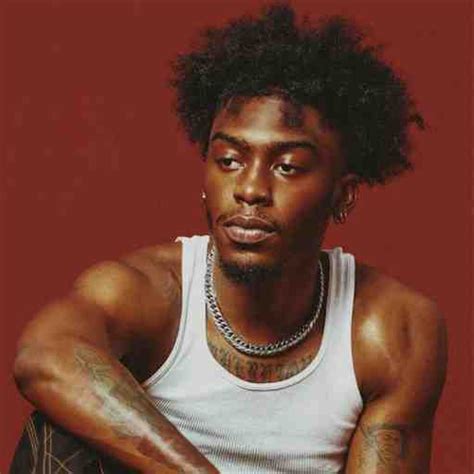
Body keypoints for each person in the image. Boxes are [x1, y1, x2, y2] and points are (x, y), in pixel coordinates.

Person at [11, 3, 447, 473]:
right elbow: (43, 357)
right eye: (229, 161)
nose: (250, 189)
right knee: (60, 430)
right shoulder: (147, 293)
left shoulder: (390, 332)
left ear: (342, 195)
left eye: (288, 167)